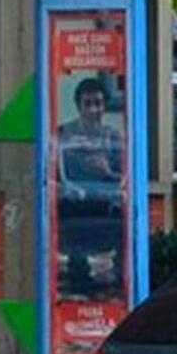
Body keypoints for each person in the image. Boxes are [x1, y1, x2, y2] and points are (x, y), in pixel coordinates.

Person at [54, 76, 127, 296]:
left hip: (104, 204)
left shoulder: (113, 137)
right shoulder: (64, 134)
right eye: (88, 104)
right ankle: (78, 278)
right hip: (73, 203)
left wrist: (107, 172)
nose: (94, 110)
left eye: (98, 103)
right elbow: (54, 171)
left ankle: (114, 285)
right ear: (78, 106)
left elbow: (124, 177)